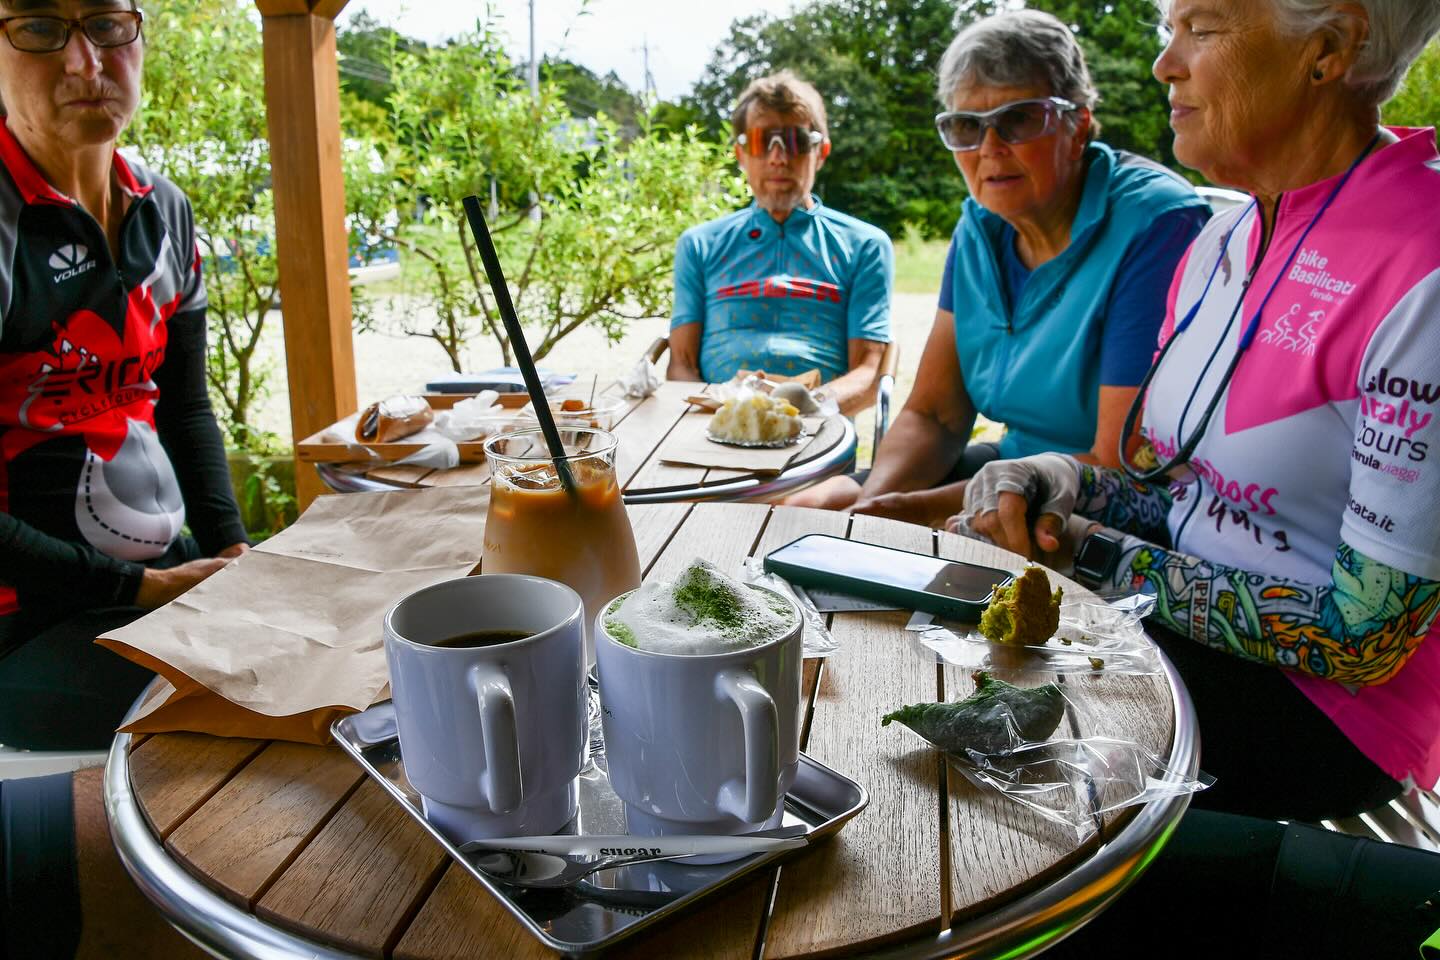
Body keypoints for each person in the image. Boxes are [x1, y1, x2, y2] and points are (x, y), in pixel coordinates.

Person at [952, 0, 1440, 954]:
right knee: (927, 667)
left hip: (1330, 712)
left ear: (1328, 49)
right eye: (1167, 28)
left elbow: (1365, 640)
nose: (1165, 65)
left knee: (981, 774)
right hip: (1181, 641)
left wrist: (1103, 560)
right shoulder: (1223, 239)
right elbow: (1190, 495)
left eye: (1203, 28)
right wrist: (1062, 482)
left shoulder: (1423, 254)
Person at [786, 10, 1211, 528]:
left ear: (1078, 124)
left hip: (1101, 507)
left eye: (1018, 119)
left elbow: (1119, 464)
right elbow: (935, 415)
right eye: (966, 126)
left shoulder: (1154, 226)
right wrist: (870, 502)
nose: (989, 148)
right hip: (1003, 476)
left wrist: (907, 512)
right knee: (807, 507)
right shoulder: (980, 228)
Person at [0, 0, 247, 750]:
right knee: (243, 715)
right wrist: (138, 590)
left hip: (161, 578)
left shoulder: (163, 211)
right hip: (28, 621)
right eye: (40, 29)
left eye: (107, 25)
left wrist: (233, 551)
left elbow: (184, 406)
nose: (87, 63)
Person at [666, 70, 893, 416]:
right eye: (762, 142)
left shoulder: (865, 246)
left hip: (817, 425)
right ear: (741, 155)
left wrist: (799, 412)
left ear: (821, 152)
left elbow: (868, 373)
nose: (778, 158)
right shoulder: (699, 245)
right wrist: (724, 416)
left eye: (795, 141)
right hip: (716, 424)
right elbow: (680, 366)